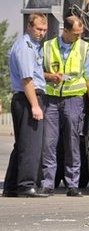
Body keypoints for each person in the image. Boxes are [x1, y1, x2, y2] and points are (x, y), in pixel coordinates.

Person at [39, 15, 89, 197]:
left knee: (72, 141)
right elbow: (36, 72)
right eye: (75, 34)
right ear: (65, 31)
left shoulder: (84, 49)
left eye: (80, 33)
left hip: (74, 100)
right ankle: (48, 183)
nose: (79, 37)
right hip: (51, 100)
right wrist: (50, 77)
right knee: (49, 143)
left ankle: (72, 184)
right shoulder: (47, 47)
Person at [2, 12, 49, 198]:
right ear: (29, 26)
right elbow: (27, 79)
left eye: (44, 30)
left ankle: (12, 186)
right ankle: (26, 185)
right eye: (38, 29)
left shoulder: (32, 46)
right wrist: (35, 105)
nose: (41, 33)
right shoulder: (25, 47)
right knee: (31, 145)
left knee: (22, 144)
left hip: (26, 97)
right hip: (28, 97)